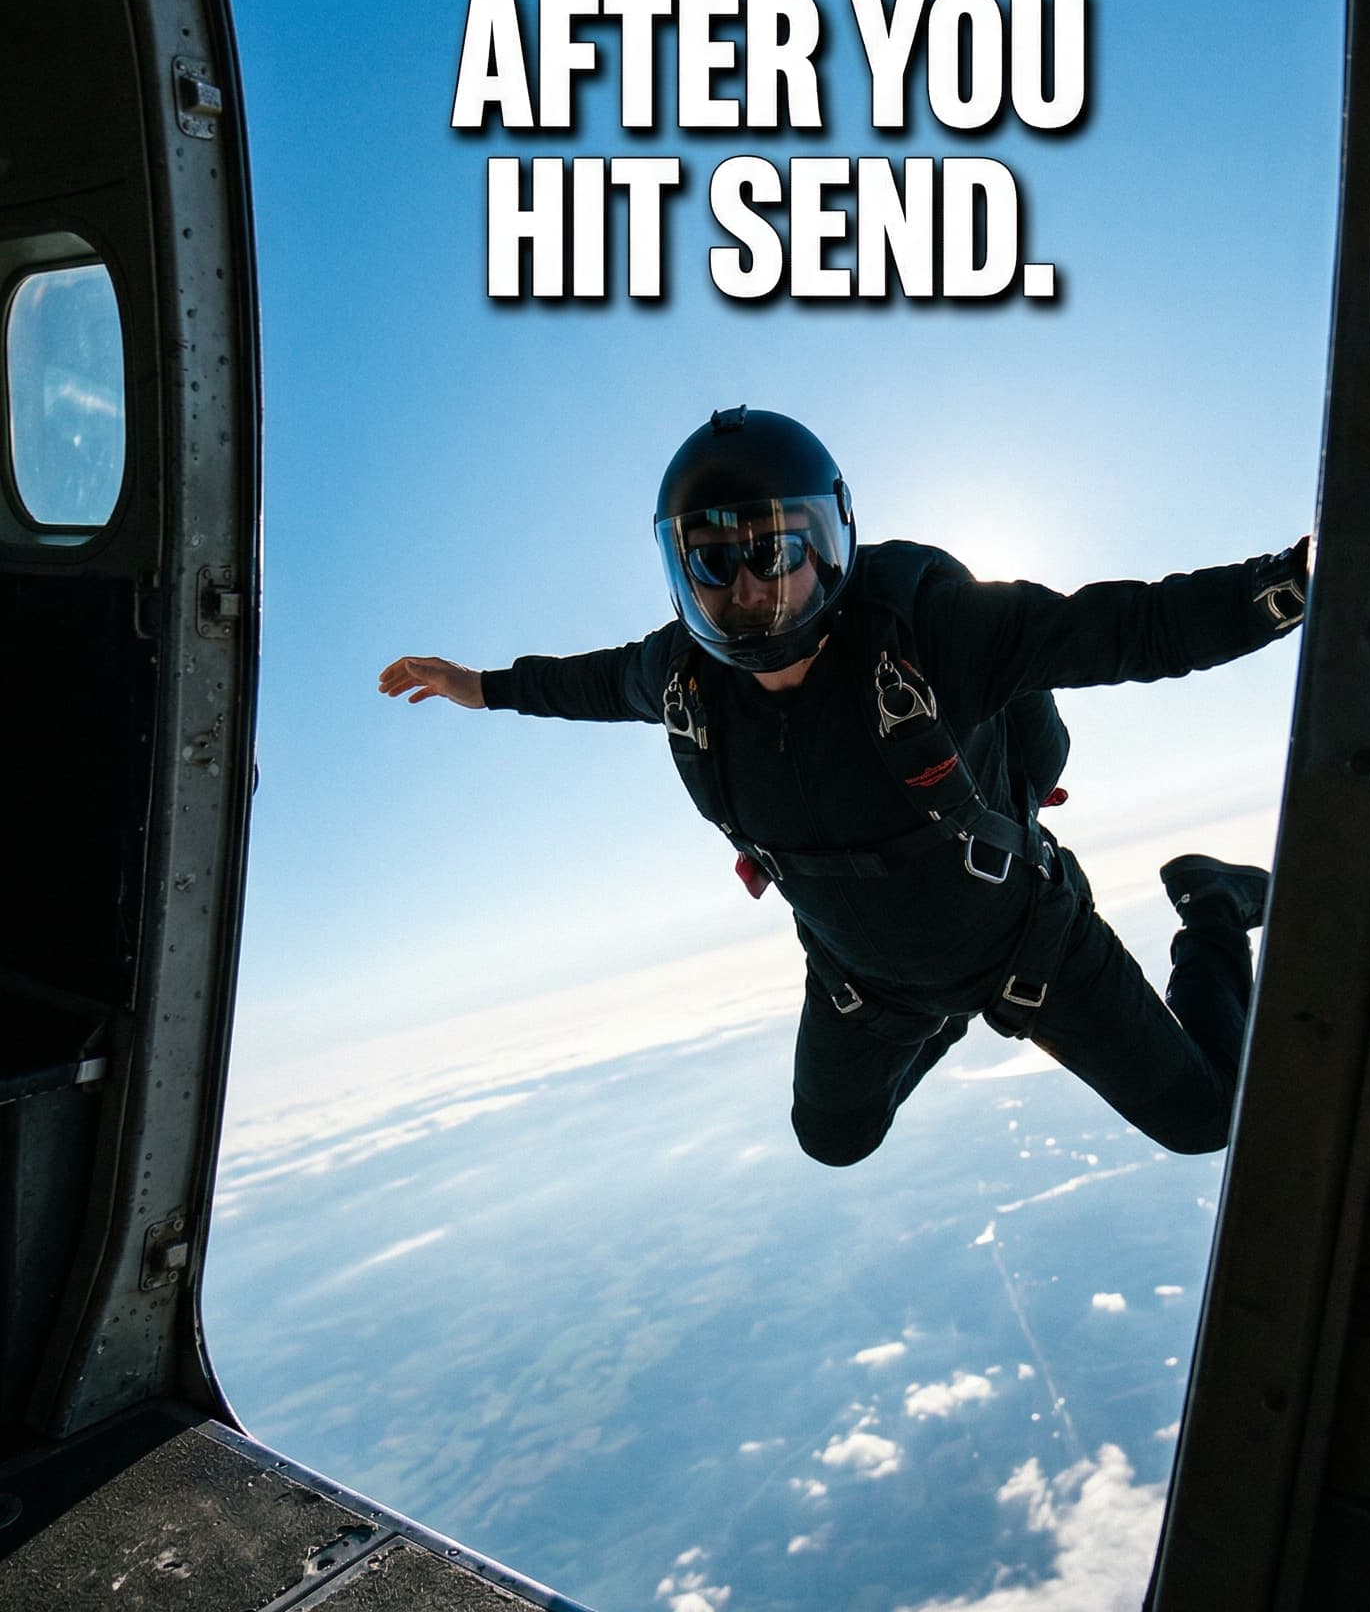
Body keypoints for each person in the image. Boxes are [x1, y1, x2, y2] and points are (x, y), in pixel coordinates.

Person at [380, 406, 1308, 1168]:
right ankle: (940, 1016)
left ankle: (1214, 908)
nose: (747, 587)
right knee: (833, 1140)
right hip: (868, 985)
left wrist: (1296, 583)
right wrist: (481, 687)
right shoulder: (680, 681)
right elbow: (581, 684)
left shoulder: (931, 630)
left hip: (1032, 947)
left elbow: (1134, 627)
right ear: (680, 577)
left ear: (831, 546)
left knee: (1205, 1121)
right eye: (712, 561)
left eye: (774, 550)